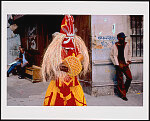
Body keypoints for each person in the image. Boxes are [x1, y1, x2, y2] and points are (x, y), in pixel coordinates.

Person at [42, 15, 90, 106]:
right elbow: (51, 62)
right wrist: (58, 66)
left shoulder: (76, 46)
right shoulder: (56, 48)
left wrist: (75, 61)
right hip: (58, 81)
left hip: (73, 82)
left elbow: (81, 55)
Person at [110, 32, 132, 101]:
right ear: (119, 38)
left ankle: (123, 90)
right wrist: (115, 64)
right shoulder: (115, 45)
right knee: (120, 80)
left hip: (125, 64)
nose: (123, 39)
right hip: (118, 64)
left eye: (124, 38)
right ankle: (123, 95)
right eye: (122, 38)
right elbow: (111, 55)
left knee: (129, 77)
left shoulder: (126, 44)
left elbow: (129, 53)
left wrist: (129, 60)